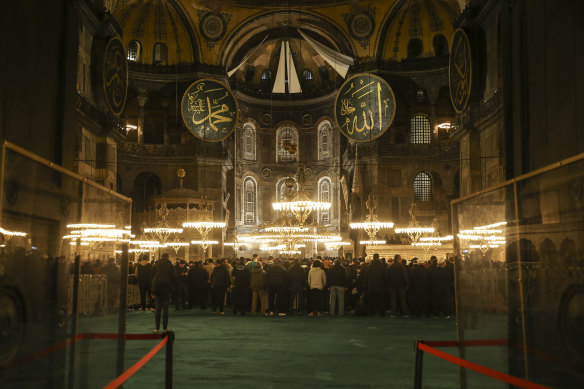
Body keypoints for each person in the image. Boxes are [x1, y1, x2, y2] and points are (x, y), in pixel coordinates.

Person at [152, 253, 177, 333]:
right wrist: (172, 289)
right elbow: (174, 278)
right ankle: (165, 328)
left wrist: (152, 289)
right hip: (166, 288)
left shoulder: (156, 265)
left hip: (157, 288)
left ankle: (157, 328)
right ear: (168, 257)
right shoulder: (170, 266)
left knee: (158, 309)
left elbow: (152, 278)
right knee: (165, 310)